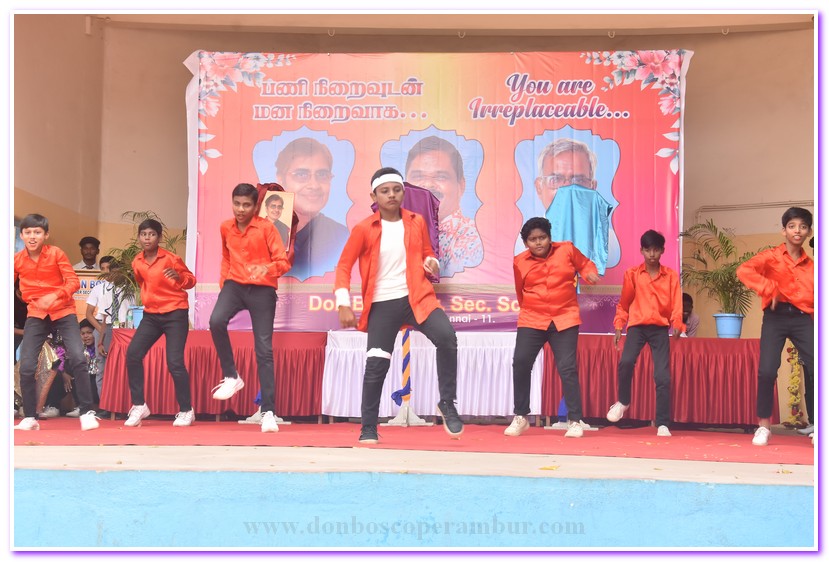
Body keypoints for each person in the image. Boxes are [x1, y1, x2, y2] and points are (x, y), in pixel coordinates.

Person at [334, 167, 463, 444]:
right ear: (374, 196)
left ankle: (447, 402)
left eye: (396, 190)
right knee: (376, 364)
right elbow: (343, 266)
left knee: (447, 338)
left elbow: (428, 253)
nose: (391, 195)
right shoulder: (364, 229)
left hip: (417, 297)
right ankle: (368, 426)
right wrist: (343, 303)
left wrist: (431, 263)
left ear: (403, 193)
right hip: (382, 304)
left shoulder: (416, 221)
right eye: (385, 191)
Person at [209, 183, 292, 433]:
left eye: (246, 205)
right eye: (237, 204)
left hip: (262, 290)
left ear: (256, 207)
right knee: (216, 321)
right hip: (234, 285)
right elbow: (226, 257)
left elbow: (283, 262)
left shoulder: (266, 228)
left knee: (264, 349)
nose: (241, 209)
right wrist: (224, 285)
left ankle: (268, 411)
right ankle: (232, 376)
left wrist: (266, 268)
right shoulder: (225, 227)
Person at [506, 217, 599, 438]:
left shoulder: (566, 250)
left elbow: (585, 264)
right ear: (525, 242)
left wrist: (589, 274)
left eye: (542, 237)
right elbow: (520, 292)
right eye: (533, 239)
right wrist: (531, 311)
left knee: (567, 368)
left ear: (550, 237)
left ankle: (574, 420)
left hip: (564, 318)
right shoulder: (519, 262)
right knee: (520, 363)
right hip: (532, 318)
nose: (538, 242)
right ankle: (521, 416)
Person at [14, 213, 99, 431]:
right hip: (36, 313)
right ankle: (30, 416)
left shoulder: (56, 253)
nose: (32, 236)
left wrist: (55, 295)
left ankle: (87, 412)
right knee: (27, 366)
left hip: (63, 310)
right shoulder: (17, 260)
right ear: (22, 235)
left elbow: (73, 282)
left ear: (46, 235)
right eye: (28, 232)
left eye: (37, 232)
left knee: (78, 357)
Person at [737, 207, 814, 446]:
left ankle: (820, 425)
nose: (797, 230)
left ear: (809, 232)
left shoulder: (812, 266)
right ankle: (763, 427)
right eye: (792, 226)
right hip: (775, 317)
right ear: (784, 231)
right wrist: (769, 289)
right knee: (767, 370)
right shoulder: (771, 256)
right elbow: (744, 270)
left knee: (819, 367)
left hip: (803, 318)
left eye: (803, 226)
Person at [606, 229, 685, 437]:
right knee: (626, 362)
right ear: (641, 250)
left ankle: (662, 423)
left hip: (659, 328)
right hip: (637, 327)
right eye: (648, 250)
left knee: (662, 376)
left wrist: (677, 323)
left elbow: (677, 304)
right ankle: (623, 402)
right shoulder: (632, 274)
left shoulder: (670, 276)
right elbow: (624, 304)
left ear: (662, 251)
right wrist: (618, 325)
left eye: (656, 250)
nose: (652, 254)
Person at [123, 219, 197, 428]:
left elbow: (191, 281)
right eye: (143, 234)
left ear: (159, 237)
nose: (147, 238)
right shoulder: (137, 261)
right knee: (133, 354)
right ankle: (139, 405)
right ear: (139, 237)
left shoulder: (171, 258)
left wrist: (179, 277)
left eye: (152, 234)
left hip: (175, 313)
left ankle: (186, 410)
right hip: (151, 316)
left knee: (174, 362)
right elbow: (142, 283)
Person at [521, 138, 617, 274]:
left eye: (578, 180)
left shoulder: (610, 244)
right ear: (539, 187)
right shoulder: (522, 244)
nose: (566, 189)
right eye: (556, 179)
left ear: (592, 188)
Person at [405, 135, 483, 277]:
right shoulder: (393, 230)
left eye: (440, 177)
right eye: (418, 176)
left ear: (461, 186)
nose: (428, 185)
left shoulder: (472, 240)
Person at [275, 137, 348, 280]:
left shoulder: (343, 237)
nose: (314, 185)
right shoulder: (262, 231)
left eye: (322, 175)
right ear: (281, 180)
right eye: (301, 175)